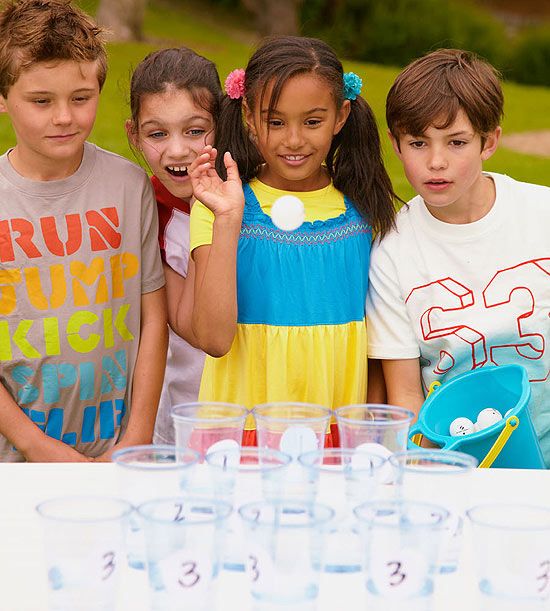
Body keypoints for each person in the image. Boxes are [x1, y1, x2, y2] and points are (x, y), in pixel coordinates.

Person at [189, 35, 398, 444]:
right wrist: (229, 220)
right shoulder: (218, 207)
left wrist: (365, 436)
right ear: (248, 116)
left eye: (313, 121)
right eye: (276, 121)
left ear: (341, 116)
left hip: (336, 431)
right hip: (242, 429)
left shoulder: (364, 212)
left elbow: (378, 343)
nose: (294, 140)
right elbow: (214, 339)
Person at [0, 0, 167, 462]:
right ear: (2, 97)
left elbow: (153, 318)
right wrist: (37, 446)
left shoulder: (129, 187)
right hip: (17, 463)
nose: (64, 117)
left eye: (80, 97)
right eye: (40, 101)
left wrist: (138, 437)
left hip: (119, 451)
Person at [366, 49, 550, 463]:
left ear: (490, 141)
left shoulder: (543, 215)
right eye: (417, 142)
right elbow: (407, 396)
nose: (435, 161)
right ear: (395, 145)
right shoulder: (391, 252)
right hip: (454, 466)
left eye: (457, 142)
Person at [126, 47, 223, 444]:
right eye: (157, 134)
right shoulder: (148, 211)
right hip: (181, 421)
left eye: (195, 130)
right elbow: (199, 330)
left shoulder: (253, 202)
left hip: (257, 409)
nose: (178, 150)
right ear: (134, 134)